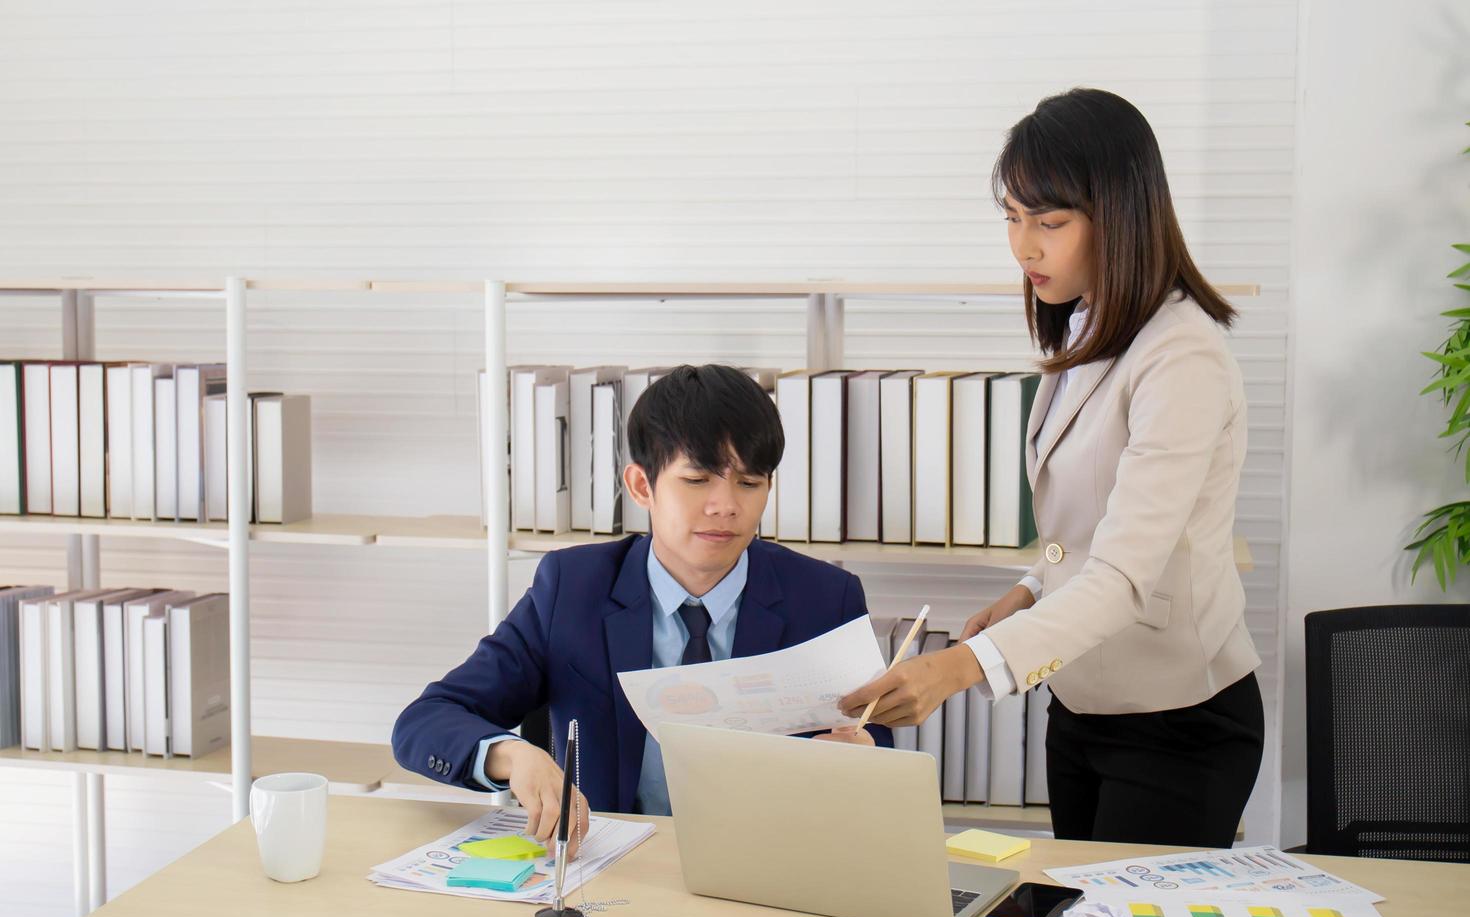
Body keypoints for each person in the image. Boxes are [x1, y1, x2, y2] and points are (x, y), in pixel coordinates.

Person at [839, 89, 1263, 849]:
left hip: (1176, 723)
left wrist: (961, 668)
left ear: (1122, 214)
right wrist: (1034, 585)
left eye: (1050, 222)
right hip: (1080, 702)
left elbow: (1131, 572)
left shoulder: (1182, 355)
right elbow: (1093, 521)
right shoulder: (1090, 323)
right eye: (1011, 217)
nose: (1023, 247)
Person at [394, 364, 890, 851]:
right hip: (614, 865)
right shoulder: (571, 588)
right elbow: (427, 720)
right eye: (697, 481)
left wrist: (864, 757)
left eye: (749, 482)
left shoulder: (826, 597)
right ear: (640, 486)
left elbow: (877, 746)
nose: (725, 506)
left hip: (768, 869)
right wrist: (513, 754)